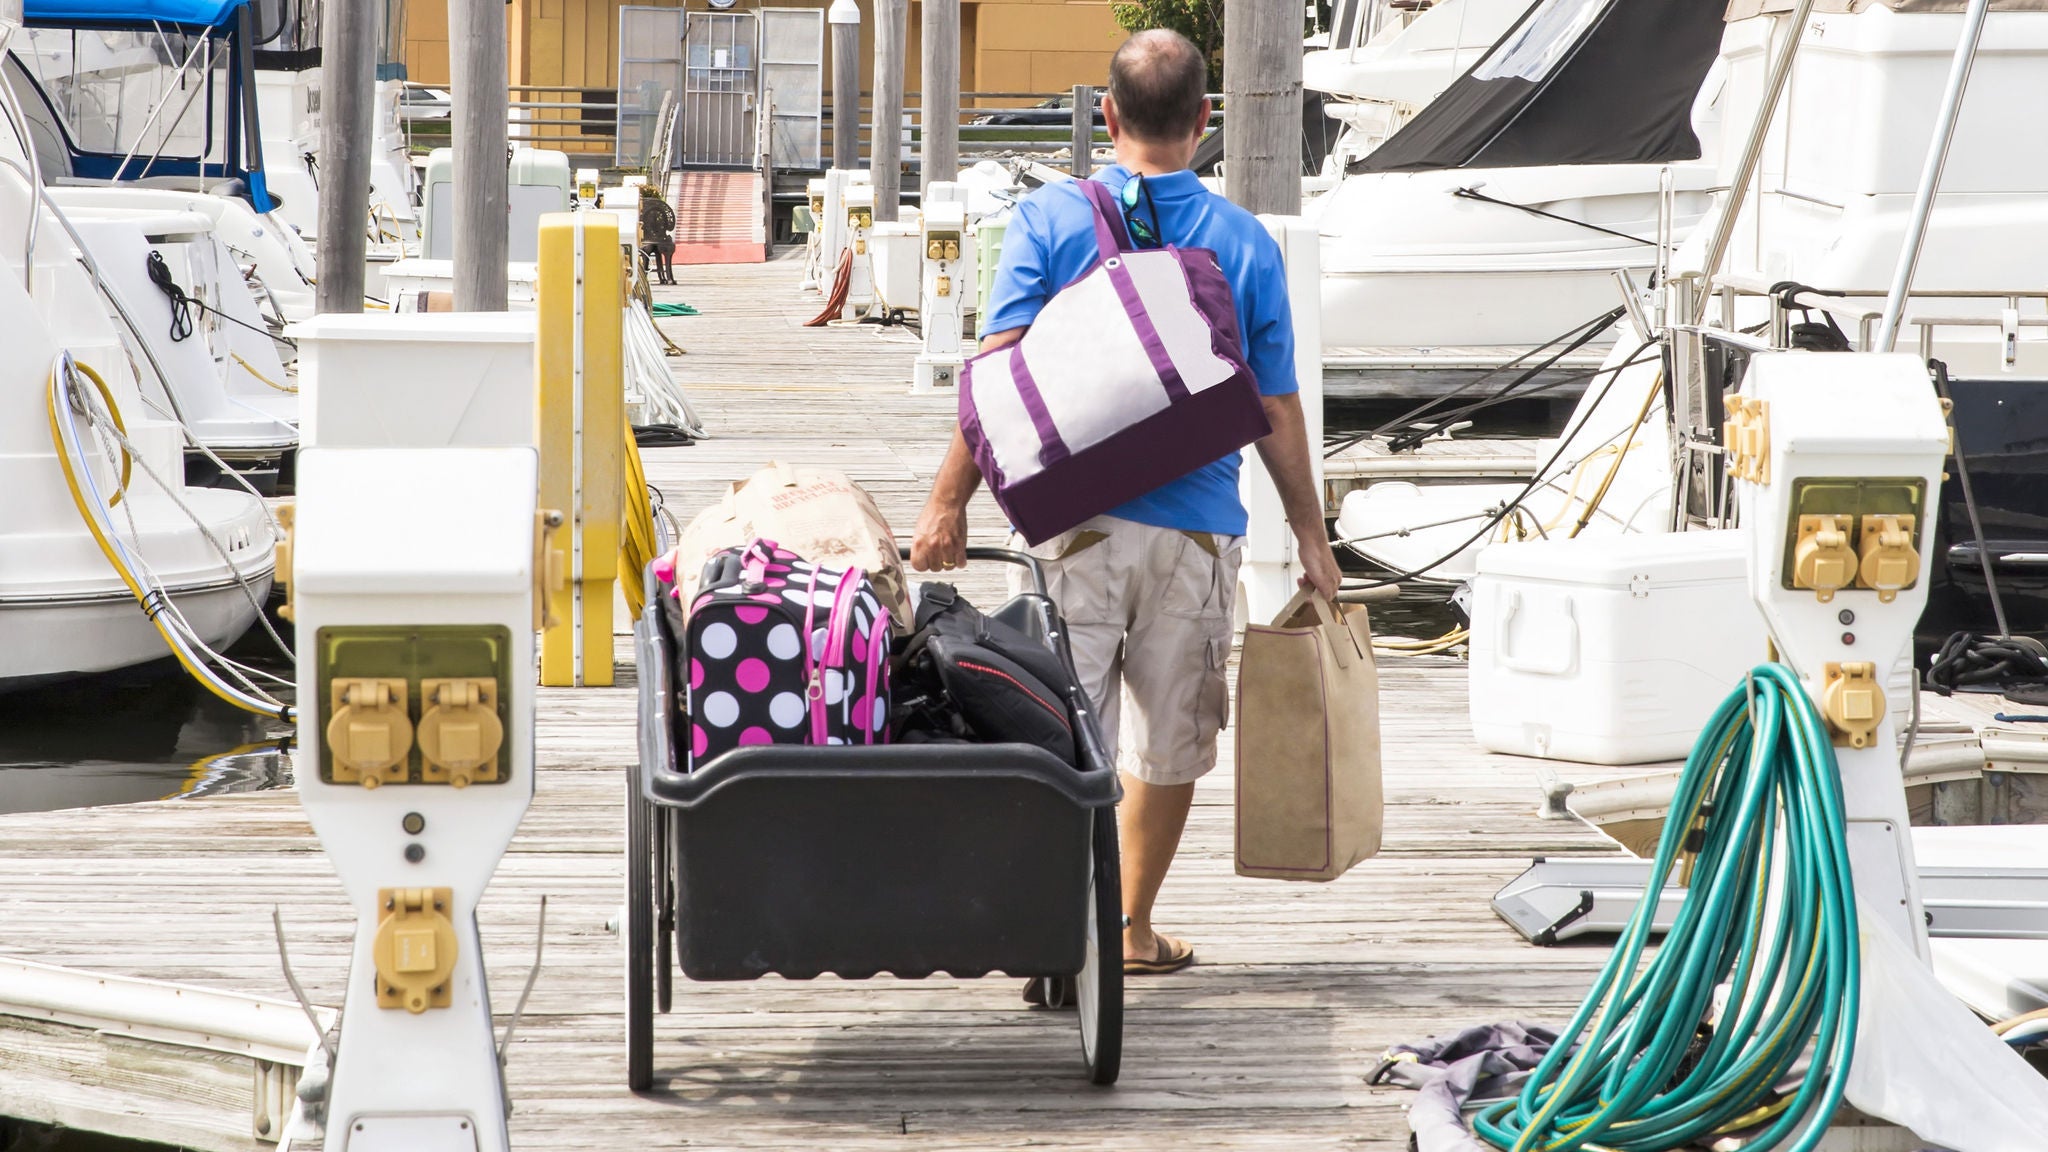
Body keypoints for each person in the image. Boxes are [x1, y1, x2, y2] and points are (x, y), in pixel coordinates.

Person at [909, 29, 1340, 977]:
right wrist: (1311, 537)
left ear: (1106, 116)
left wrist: (947, 507)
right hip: (1195, 531)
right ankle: (1128, 926)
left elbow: (999, 382)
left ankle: (1057, 918)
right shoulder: (1242, 241)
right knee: (1171, 740)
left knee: (1066, 731)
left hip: (1075, 526)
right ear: (1205, 121)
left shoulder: (1050, 221)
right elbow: (1273, 405)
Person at [638, 183, 677, 285]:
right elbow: (670, 225)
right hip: (662, 240)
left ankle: (644, 278)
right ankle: (668, 277)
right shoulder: (661, 209)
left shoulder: (640, 212)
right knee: (663, 247)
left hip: (645, 241)